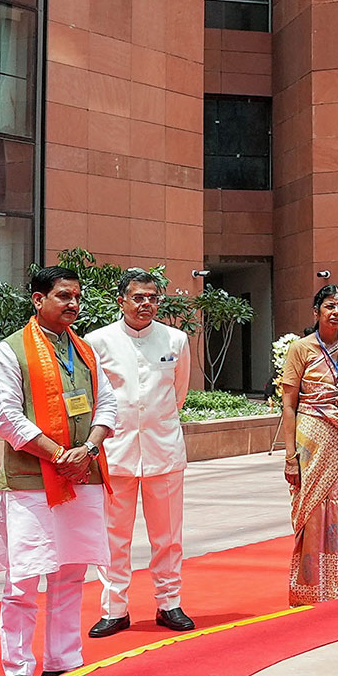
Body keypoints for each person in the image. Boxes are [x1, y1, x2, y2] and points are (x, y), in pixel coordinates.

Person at [0, 266, 117, 676]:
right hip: (30, 482)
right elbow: (6, 417)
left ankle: (63, 661)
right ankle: (18, 670)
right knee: (23, 578)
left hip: (82, 474)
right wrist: (59, 455)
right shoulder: (10, 351)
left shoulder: (85, 350)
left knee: (71, 571)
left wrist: (88, 449)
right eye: (63, 296)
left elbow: (107, 404)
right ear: (38, 300)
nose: (73, 304)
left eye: (77, 296)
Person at [88, 269, 194, 639]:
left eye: (152, 297)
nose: (146, 304)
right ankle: (114, 609)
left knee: (168, 536)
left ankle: (169, 603)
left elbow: (178, 393)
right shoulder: (98, 341)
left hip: (163, 450)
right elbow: (96, 396)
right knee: (113, 537)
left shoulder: (175, 339)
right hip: (115, 451)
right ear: (121, 301)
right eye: (138, 297)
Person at [278, 284, 338, 605]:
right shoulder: (301, 349)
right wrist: (290, 457)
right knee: (316, 509)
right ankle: (315, 587)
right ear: (316, 311)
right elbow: (289, 405)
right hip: (313, 441)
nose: (335, 312)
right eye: (329, 306)